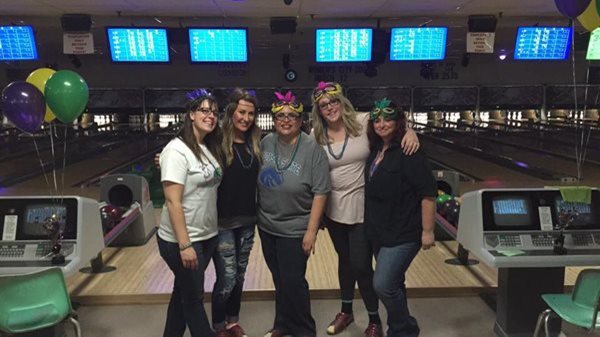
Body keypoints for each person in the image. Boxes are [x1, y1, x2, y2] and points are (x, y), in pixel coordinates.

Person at [309, 82, 420, 337]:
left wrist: (411, 131)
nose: (330, 107)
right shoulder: (317, 134)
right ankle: (346, 312)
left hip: (362, 208)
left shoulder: (363, 121)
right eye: (323, 105)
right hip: (333, 210)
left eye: (333, 101)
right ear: (318, 110)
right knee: (345, 262)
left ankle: (374, 320)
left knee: (360, 265)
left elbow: (391, 123)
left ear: (342, 102)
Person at [258, 91, 331, 337]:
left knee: (293, 281)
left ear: (301, 121)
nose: (286, 120)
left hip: (295, 227)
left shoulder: (313, 149)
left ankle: (304, 330)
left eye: (292, 116)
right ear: (274, 119)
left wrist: (311, 232)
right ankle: (282, 324)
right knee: (279, 280)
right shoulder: (266, 141)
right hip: (267, 225)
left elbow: (321, 192)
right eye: (281, 116)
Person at [364, 98, 437, 337]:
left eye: (388, 119)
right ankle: (398, 331)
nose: (382, 124)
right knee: (395, 283)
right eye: (377, 119)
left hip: (404, 232)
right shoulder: (376, 149)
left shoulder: (409, 151)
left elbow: (428, 193)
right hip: (380, 231)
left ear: (398, 122)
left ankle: (406, 328)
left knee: (382, 284)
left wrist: (428, 231)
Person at [157, 89, 223, 337]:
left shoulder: (206, 146)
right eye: (205, 110)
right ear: (191, 114)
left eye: (214, 112)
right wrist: (185, 245)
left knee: (182, 294)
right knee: (194, 299)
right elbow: (173, 202)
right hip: (182, 241)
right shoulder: (176, 150)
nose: (211, 116)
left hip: (206, 236)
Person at [212, 89, 261, 337]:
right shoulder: (216, 142)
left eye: (251, 113)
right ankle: (218, 324)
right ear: (232, 113)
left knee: (240, 275)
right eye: (242, 112)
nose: (246, 118)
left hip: (247, 220)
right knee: (227, 276)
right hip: (222, 222)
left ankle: (233, 321)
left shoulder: (255, 144)